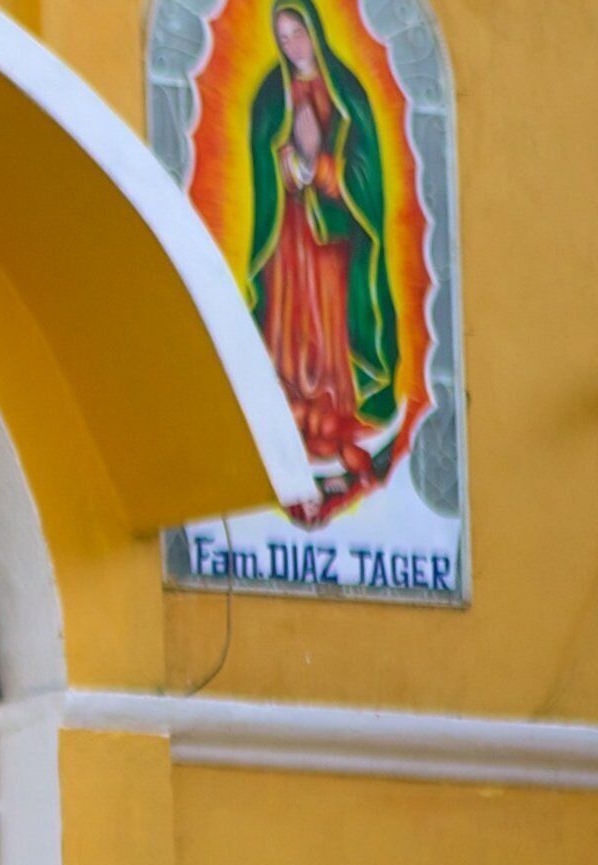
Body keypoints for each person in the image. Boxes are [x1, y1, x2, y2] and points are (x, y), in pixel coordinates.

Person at [246, 0, 409, 518]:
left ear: (315, 32)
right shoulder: (272, 95)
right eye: (283, 35)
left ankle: (333, 406)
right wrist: (285, 170)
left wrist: (324, 173)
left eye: (298, 32)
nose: (293, 44)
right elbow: (261, 162)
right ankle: (290, 399)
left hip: (332, 236)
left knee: (328, 315)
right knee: (287, 317)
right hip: (288, 233)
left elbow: (367, 178)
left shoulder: (348, 94)